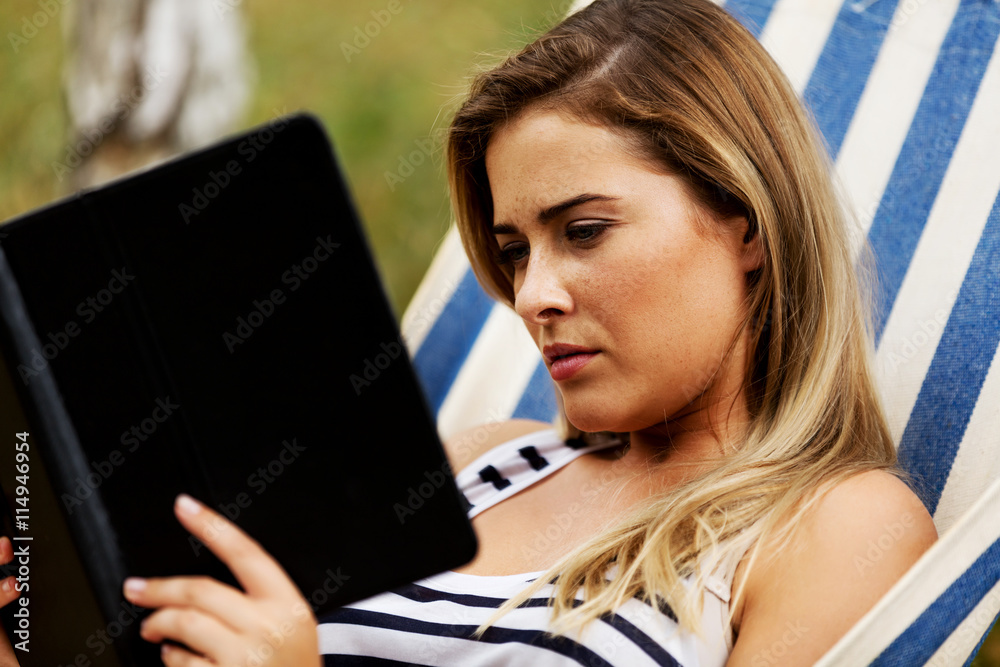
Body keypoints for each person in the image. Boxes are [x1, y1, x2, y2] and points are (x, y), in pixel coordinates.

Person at [0, 0, 938, 664]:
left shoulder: (836, 528)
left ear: (748, 225)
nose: (531, 294)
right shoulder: (478, 465)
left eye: (584, 230)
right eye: (513, 249)